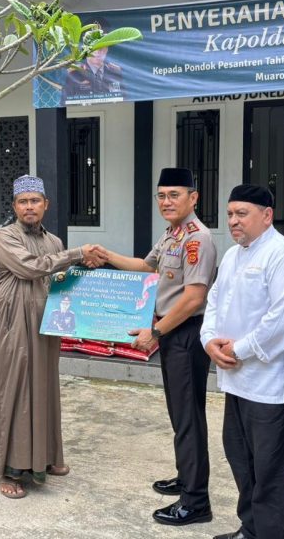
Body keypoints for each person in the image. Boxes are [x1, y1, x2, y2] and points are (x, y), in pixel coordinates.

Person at [96, 167, 217, 526]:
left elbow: (194, 298)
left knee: (188, 417)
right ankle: (187, 476)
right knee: (180, 413)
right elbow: (144, 266)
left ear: (193, 198)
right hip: (172, 332)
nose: (166, 202)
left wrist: (156, 332)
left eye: (174, 195)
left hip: (185, 333)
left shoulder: (197, 239)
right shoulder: (171, 234)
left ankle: (195, 502)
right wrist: (105, 254)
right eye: (161, 196)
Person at [202, 185, 284, 539]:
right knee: (242, 460)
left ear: (267, 215)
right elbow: (214, 302)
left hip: (272, 385)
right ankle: (251, 529)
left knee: (272, 471)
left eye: (242, 213)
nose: (233, 221)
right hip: (237, 380)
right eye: (230, 214)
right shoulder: (233, 255)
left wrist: (239, 350)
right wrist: (209, 341)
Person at [0, 174, 104, 499]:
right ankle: (12, 470)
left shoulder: (54, 241)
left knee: (45, 388)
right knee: (16, 390)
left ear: (45, 205)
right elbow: (31, 267)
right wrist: (77, 253)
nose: (29, 207)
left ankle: (46, 458)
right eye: (23, 202)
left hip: (47, 323)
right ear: (15, 206)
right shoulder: (5, 237)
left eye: (35, 201)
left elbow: (60, 276)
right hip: (15, 325)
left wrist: (88, 268)